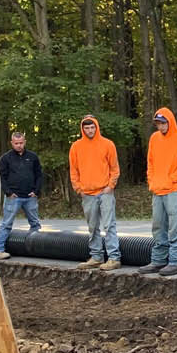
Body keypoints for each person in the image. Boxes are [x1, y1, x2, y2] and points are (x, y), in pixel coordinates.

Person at [138, 107, 177, 276]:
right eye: (158, 124)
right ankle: (158, 260)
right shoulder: (154, 138)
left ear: (170, 122)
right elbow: (151, 163)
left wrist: (171, 180)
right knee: (158, 226)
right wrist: (152, 182)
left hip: (174, 190)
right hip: (157, 190)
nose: (160, 127)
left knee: (175, 227)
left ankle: (175, 262)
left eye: (163, 123)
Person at [69, 115, 121, 271]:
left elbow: (114, 168)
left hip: (105, 191)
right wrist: (79, 189)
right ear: (82, 129)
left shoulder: (107, 144)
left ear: (96, 127)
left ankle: (114, 258)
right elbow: (73, 170)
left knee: (109, 225)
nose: (90, 130)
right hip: (87, 193)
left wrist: (111, 186)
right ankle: (96, 256)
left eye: (92, 127)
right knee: (92, 227)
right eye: (87, 128)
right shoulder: (76, 147)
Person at [0, 130, 42, 259]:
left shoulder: (32, 157)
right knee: (6, 224)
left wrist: (36, 191)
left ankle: (36, 249)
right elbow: (1, 178)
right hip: (13, 197)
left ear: (25, 142)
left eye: (21, 143)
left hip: (30, 197)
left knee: (35, 224)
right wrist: (8, 193)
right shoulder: (6, 158)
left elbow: (39, 175)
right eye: (16, 143)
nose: (19, 145)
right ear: (11, 143)